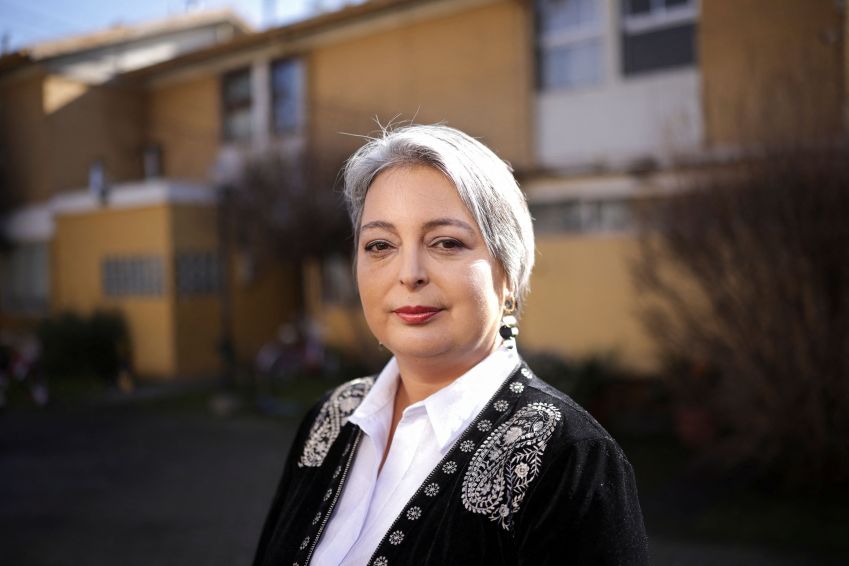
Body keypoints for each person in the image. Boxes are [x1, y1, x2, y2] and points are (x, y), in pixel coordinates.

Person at [253, 124, 648, 565]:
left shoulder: (572, 459)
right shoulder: (331, 418)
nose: (409, 274)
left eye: (446, 242)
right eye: (380, 245)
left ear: (509, 275)